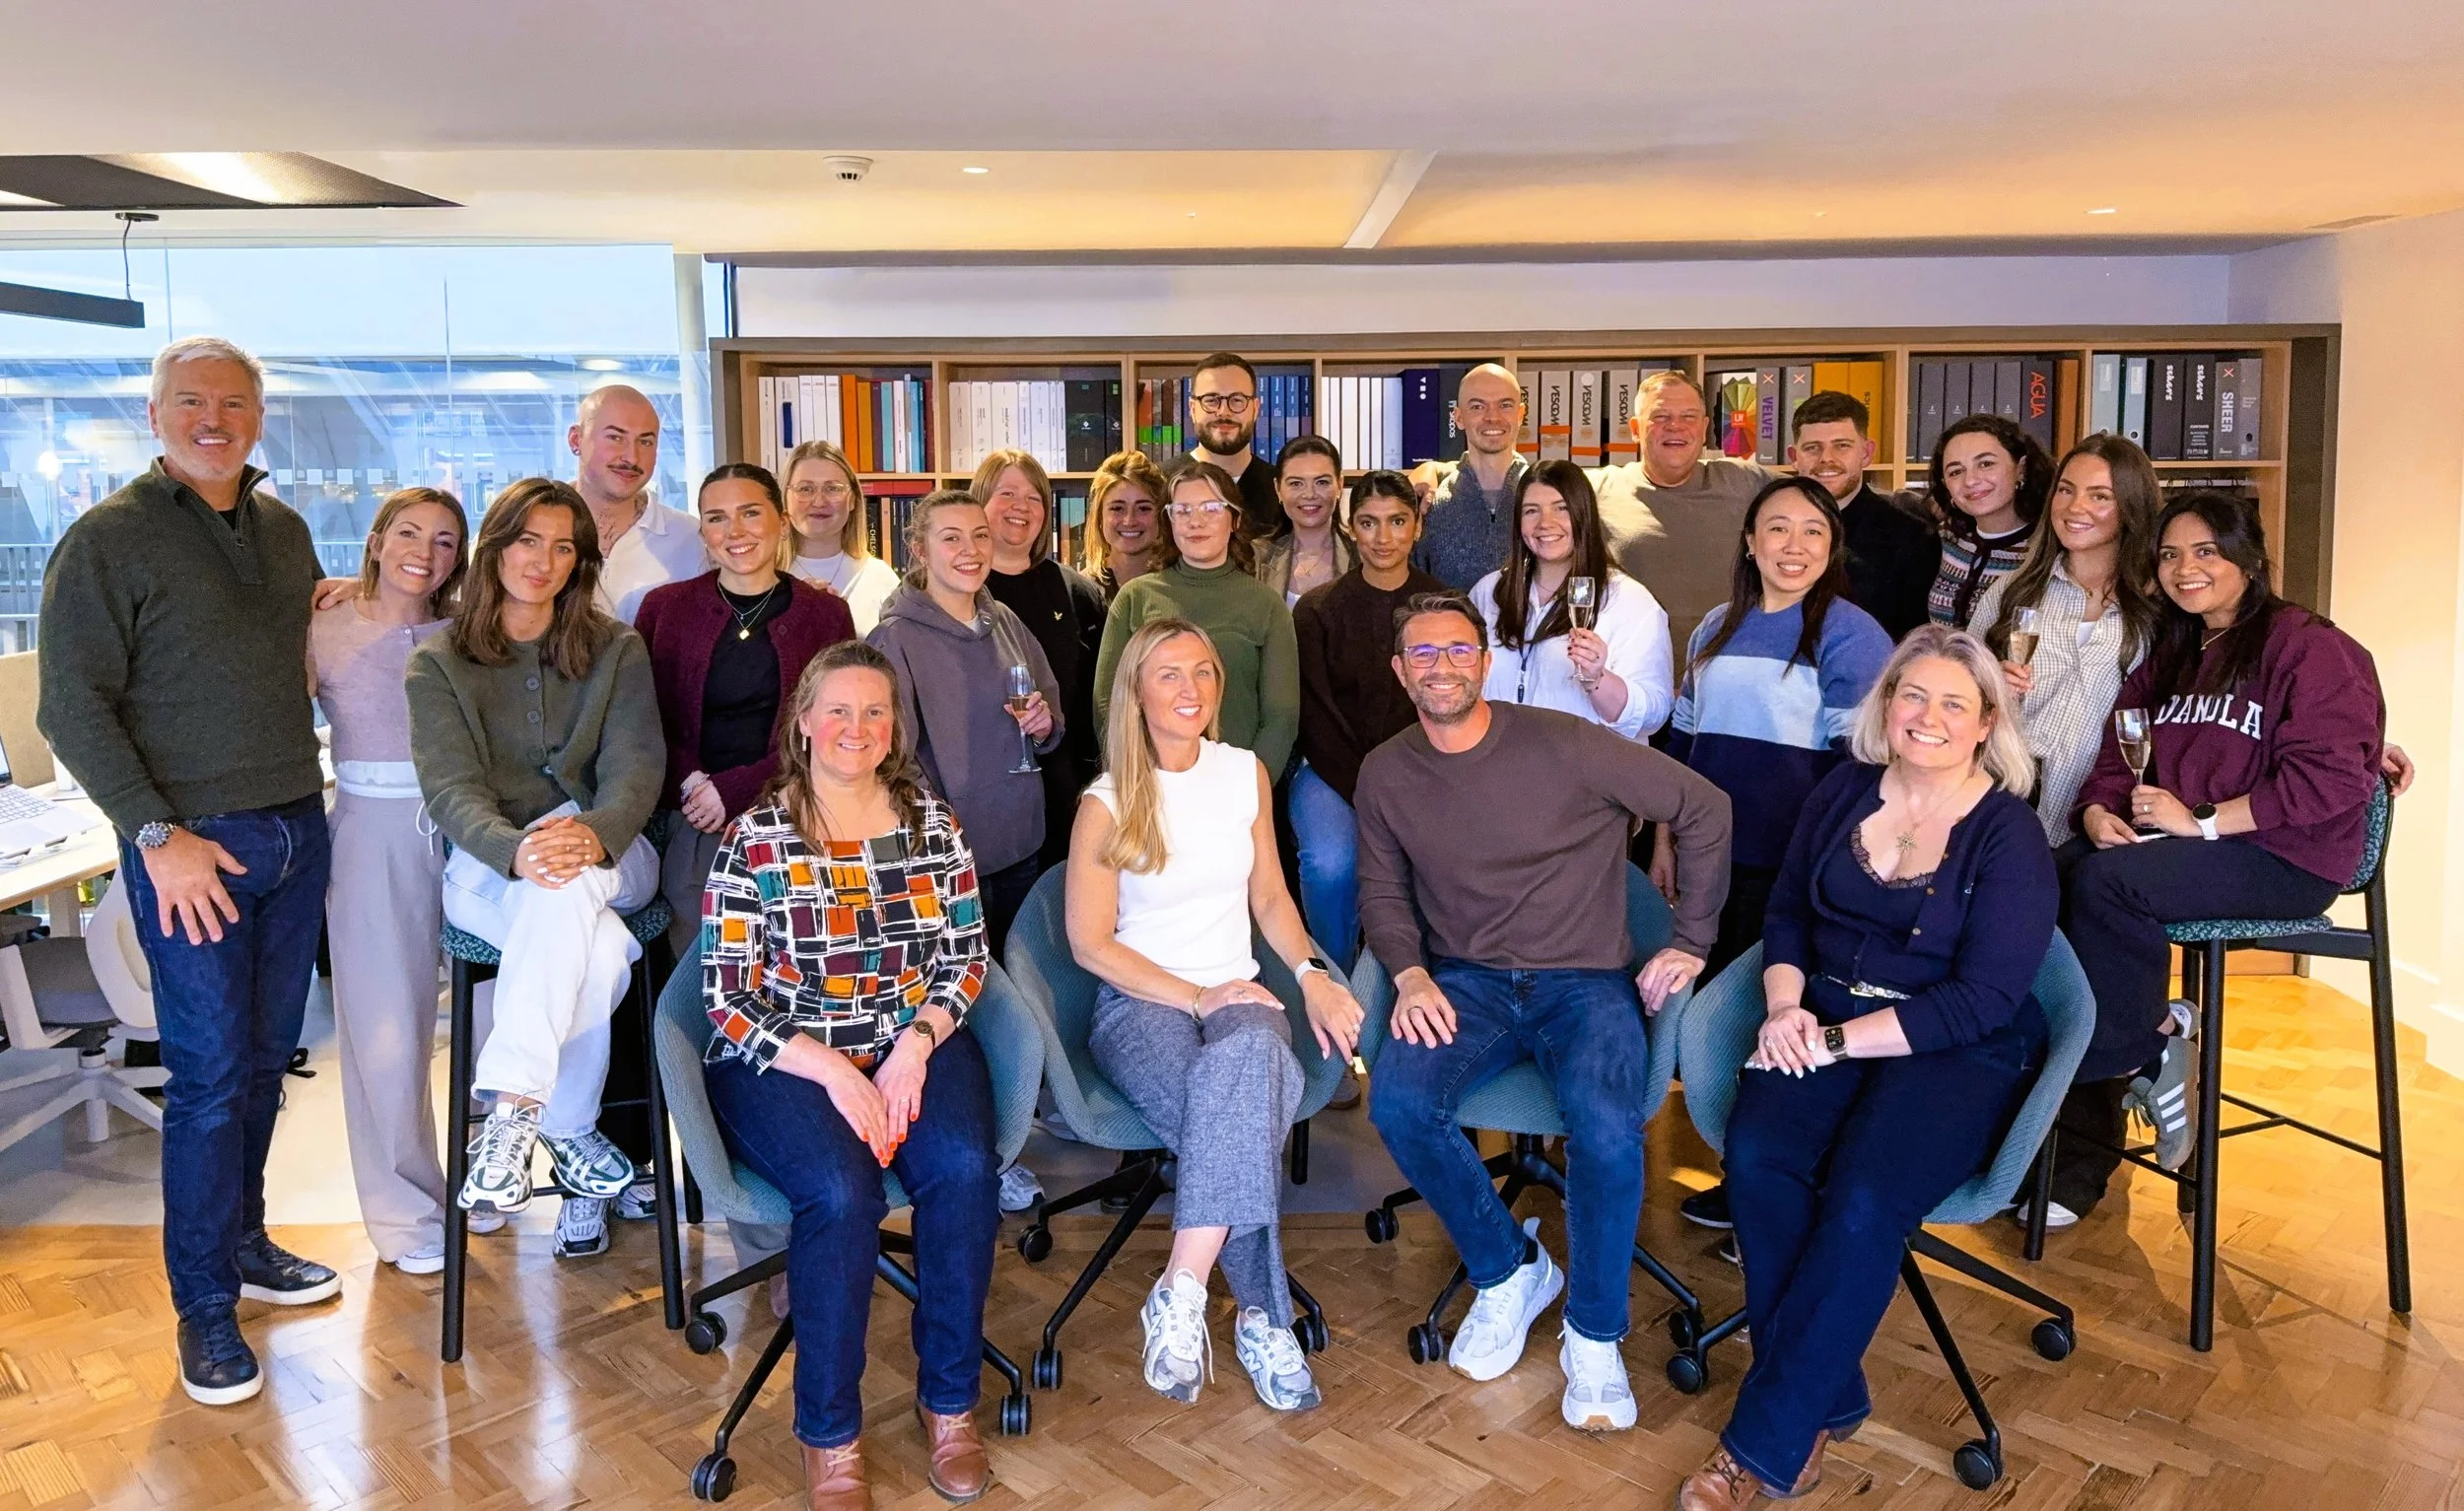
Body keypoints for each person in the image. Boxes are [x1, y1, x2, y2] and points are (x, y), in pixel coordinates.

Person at [1675, 625, 2058, 1511]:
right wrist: (1783, 1009)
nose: (1927, 716)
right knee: (1760, 1156)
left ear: (1986, 721)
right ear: (1886, 705)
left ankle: (1760, 1447)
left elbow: (1983, 999)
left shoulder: (2007, 833)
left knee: (1862, 1194)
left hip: (1951, 1047)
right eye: (1911, 695)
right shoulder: (1845, 788)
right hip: (1818, 1015)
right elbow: (1788, 915)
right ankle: (1827, 1393)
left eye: (1952, 703)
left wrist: (1838, 1042)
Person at [37, 336, 342, 1406]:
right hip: (190, 847)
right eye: (192, 402)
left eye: (234, 403)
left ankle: (248, 1244)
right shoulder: (106, 540)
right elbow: (70, 705)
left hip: (296, 827)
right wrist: (157, 838)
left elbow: (300, 650)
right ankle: (203, 1310)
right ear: (157, 412)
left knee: (267, 1063)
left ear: (259, 416)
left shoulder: (284, 529)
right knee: (209, 1082)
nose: (215, 419)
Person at [1359, 590, 1731, 1431]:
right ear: (1400, 671)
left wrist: (1693, 941)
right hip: (1468, 979)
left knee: (1604, 1126)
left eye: (1459, 650)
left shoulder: (1566, 742)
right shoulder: (1386, 769)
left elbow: (1706, 809)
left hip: (1585, 979)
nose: (1443, 666)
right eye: (1424, 653)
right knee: (1399, 1102)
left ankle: (1593, 1335)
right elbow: (1383, 889)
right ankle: (1506, 1269)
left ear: (1486, 664)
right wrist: (1410, 974)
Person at [701, 640, 998, 1509]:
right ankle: (829, 1434)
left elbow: (966, 955)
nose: (856, 727)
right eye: (837, 709)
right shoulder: (758, 836)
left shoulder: (932, 825)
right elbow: (725, 997)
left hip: (914, 1038)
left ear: (894, 726)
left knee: (966, 1169)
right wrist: (834, 1070)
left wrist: (916, 1044)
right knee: (841, 1194)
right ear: (801, 722)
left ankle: (950, 1403)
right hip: (785, 1055)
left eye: (874, 711)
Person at [2049, 492, 2384, 1220]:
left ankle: (2150, 1050)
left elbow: (2326, 780)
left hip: (2285, 859)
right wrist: (2099, 808)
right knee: (2046, 877)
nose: (2184, 568)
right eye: (2170, 554)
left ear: (2250, 558)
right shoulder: (2173, 649)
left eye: (2205, 551)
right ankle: (2122, 1066)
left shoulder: (2312, 647)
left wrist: (2199, 820)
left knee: (2106, 887)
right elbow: (2120, 744)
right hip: (2178, 848)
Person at [1068, 618, 1365, 1411]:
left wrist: (1309, 974)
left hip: (1240, 993)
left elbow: (1270, 894)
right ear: (1135, 689)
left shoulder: (1244, 775)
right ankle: (1266, 1318)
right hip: (1141, 1003)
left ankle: (1183, 1287)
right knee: (1242, 1115)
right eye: (1168, 674)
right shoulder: (1105, 801)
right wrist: (1198, 995)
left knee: (1248, 1062)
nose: (1191, 688)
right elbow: (1091, 944)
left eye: (1203, 671)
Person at [405, 478, 664, 1233]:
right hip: (492, 866)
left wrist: (593, 831)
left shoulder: (616, 648)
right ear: (495, 547)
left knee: (572, 887)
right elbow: (450, 790)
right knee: (601, 948)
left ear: (581, 561)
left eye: (562, 546)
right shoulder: (438, 661)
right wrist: (518, 850)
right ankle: (567, 1122)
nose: (543, 560)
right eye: (527, 540)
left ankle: (512, 1111)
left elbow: (637, 764)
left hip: (613, 851)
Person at [310, 486, 467, 1277]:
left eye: (445, 539)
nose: (425, 550)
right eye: (410, 532)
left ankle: (478, 1186)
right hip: (371, 829)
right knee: (387, 1032)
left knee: (495, 1016)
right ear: (376, 540)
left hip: (469, 827)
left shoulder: (469, 629)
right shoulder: (322, 625)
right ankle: (405, 1212)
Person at [1666, 476, 1893, 974]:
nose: (1795, 547)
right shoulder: (1713, 627)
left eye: (1813, 532)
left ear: (1832, 547)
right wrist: (1664, 839)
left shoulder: (1852, 635)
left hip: (1790, 865)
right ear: (1750, 542)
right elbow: (1679, 750)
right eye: (1778, 528)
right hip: (1705, 857)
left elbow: (1861, 772)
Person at [636, 463, 854, 962]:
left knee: (799, 957)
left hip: (795, 808)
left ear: (780, 520)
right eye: (716, 518)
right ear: (703, 532)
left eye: (750, 513)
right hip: (691, 813)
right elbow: (639, 721)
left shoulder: (825, 614)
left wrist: (734, 790)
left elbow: (835, 727)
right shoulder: (665, 609)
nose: (734, 531)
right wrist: (692, 783)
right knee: (705, 955)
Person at [867, 490, 1063, 952]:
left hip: (1020, 838)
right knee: (965, 988)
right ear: (919, 550)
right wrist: (938, 829)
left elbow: (1050, 711)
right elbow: (893, 759)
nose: (970, 551)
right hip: (950, 853)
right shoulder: (894, 639)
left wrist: (1043, 726)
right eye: (951, 538)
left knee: (1022, 977)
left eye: (979, 535)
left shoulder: (1006, 621)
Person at [1970, 435, 2163, 845]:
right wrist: (1990, 689)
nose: (2076, 508)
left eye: (2100, 496)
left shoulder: (2160, 606)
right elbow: (1957, 695)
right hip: (2006, 804)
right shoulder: (2011, 592)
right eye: (2066, 490)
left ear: (2132, 507)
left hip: (2109, 816)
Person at [1291, 471, 1446, 970]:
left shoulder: (1446, 608)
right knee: (1331, 865)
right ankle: (1333, 975)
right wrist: (1366, 788)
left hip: (1425, 772)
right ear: (1350, 528)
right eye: (1369, 523)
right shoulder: (1317, 611)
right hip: (1331, 772)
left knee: (1431, 866)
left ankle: (1411, 977)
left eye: (1398, 521)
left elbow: (1448, 708)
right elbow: (1315, 716)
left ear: (1418, 526)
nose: (1384, 538)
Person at [1093, 460, 1299, 779]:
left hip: (1236, 788)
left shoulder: (1266, 605)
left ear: (1235, 520)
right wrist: (1140, 776)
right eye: (1183, 511)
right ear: (1169, 521)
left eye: (1211, 508)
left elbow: (1281, 718)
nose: (1195, 522)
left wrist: (1248, 790)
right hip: (1149, 782)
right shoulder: (1136, 597)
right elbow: (1109, 705)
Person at [1469, 459, 1674, 740]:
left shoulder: (1630, 602)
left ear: (1584, 514)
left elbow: (1653, 715)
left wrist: (1597, 679)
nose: (1545, 523)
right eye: (1531, 511)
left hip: (1589, 778)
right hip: (1499, 770)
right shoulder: (1488, 592)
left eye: (1561, 508)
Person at [975, 448, 1108, 873]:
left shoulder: (1076, 592)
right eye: (1006, 494)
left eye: (1034, 498)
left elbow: (1096, 697)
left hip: (1063, 790)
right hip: (982, 792)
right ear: (979, 503)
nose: (1021, 507)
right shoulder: (957, 592)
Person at [1589, 371, 1775, 650]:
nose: (1675, 426)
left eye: (1688, 417)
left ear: (1704, 428)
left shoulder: (1746, 481)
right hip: (1631, 678)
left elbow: (1821, 497)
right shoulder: (1596, 488)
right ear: (1636, 428)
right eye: (1660, 416)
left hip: (1731, 672)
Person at [1787, 391, 1936, 640]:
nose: (1827, 459)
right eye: (1813, 448)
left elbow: (1916, 640)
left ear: (1866, 453)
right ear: (1794, 457)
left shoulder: (1911, 538)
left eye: (1842, 446)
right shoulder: (1773, 530)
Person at [1925, 413, 2052, 628]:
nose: (1971, 480)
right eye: (1956, 471)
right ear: (1945, 484)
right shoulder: (1946, 539)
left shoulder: (2046, 549)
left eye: (1985, 464)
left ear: (2020, 468)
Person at [1413, 363, 1529, 590]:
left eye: (1505, 405)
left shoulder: (1548, 496)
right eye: (1477, 407)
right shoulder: (1428, 502)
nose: (1492, 417)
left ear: (1520, 414)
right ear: (1458, 417)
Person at [784, 439, 900, 634]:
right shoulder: (763, 579)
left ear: (853, 500)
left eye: (833, 488)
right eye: (805, 489)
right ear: (785, 499)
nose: (819, 501)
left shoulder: (880, 579)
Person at [1187, 352, 1282, 535]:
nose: (1223, 412)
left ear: (1255, 409)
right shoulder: (1162, 483)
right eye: (1211, 401)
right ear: (1192, 409)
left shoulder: (1280, 490)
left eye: (1237, 400)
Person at [1255, 436, 1355, 603]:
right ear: (1278, 488)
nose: (1309, 494)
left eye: (1322, 482)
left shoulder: (1362, 557)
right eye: (1296, 483)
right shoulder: (1256, 558)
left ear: (1339, 485)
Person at [1082, 448, 1169, 601]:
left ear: (1161, 515)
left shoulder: (1179, 586)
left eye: (1143, 508)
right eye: (1117, 508)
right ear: (1099, 516)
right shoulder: (1081, 590)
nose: (1129, 521)